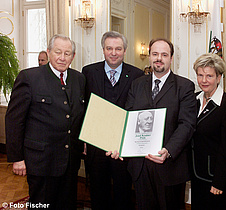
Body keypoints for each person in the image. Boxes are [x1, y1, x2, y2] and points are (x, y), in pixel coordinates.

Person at [110, 38, 197, 210]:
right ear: (149, 57)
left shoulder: (184, 86)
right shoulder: (137, 84)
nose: (159, 58)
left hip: (169, 166)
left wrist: (168, 150)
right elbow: (129, 118)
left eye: (164, 55)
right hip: (140, 166)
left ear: (171, 58)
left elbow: (187, 124)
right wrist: (119, 143)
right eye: (155, 54)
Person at [5, 34, 85, 209]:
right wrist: (17, 158)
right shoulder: (29, 78)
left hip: (70, 161)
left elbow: (80, 116)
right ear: (49, 52)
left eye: (67, 53)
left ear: (73, 56)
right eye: (58, 52)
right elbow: (14, 120)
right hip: (41, 162)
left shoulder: (79, 79)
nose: (62, 57)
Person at [82, 31, 144, 210]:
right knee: (97, 191)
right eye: (109, 48)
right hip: (95, 144)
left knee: (123, 192)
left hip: (123, 147)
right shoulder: (88, 72)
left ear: (125, 51)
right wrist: (84, 138)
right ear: (103, 50)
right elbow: (83, 107)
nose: (113, 53)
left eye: (118, 48)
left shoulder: (137, 75)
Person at [190, 53, 226, 209]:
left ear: (219, 77)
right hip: (197, 173)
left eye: (209, 76)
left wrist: (219, 181)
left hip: (216, 177)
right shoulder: (194, 99)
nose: (204, 80)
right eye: (200, 75)